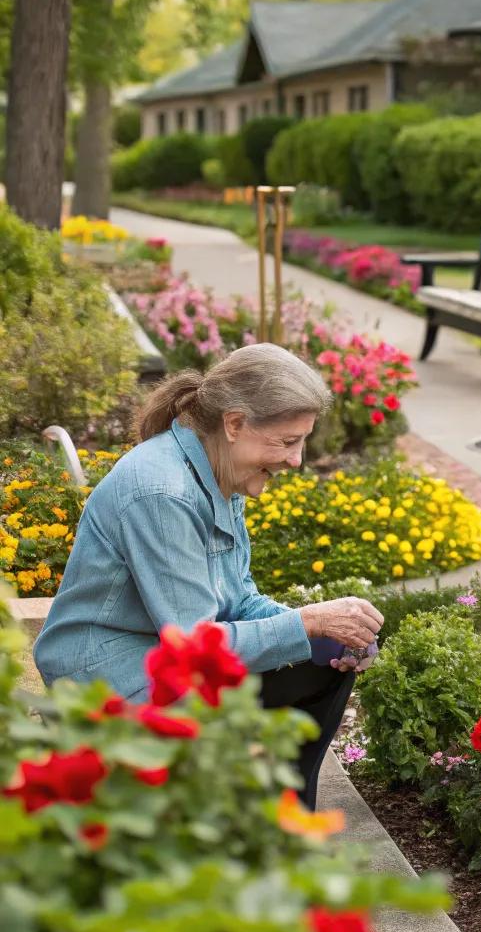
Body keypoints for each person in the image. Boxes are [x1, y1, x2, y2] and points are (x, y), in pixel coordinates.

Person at [34, 343, 383, 809]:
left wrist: (328, 632)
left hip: (158, 656)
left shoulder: (219, 471)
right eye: (286, 441)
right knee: (307, 646)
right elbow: (194, 650)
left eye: (302, 441)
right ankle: (253, 822)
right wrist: (309, 624)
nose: (297, 461)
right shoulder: (164, 492)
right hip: (106, 676)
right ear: (234, 423)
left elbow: (238, 598)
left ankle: (282, 819)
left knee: (325, 656)